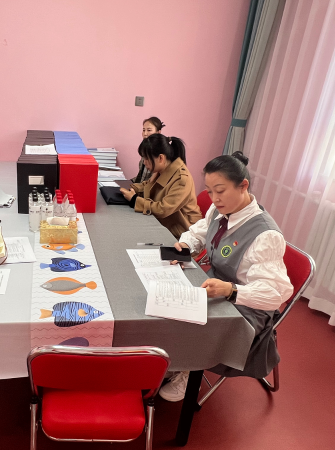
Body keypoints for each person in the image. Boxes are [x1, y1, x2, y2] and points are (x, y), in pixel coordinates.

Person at [158, 151, 294, 402]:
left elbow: (274, 295)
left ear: (243, 186)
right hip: (217, 285)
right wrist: (186, 245)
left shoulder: (266, 236)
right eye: (210, 191)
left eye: (220, 191)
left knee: (191, 319)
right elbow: (199, 232)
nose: (214, 198)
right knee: (170, 304)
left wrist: (231, 290)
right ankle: (178, 359)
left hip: (248, 305)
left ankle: (189, 369)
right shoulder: (219, 210)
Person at [120, 133, 202, 239]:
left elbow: (163, 209)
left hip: (182, 234)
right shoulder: (162, 169)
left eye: (146, 158)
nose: (144, 162)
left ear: (160, 158)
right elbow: (147, 186)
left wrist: (135, 200)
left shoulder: (182, 179)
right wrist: (132, 189)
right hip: (164, 224)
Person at [133, 116, 165, 183]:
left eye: (149, 130)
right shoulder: (145, 149)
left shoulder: (159, 153)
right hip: (141, 186)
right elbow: (141, 178)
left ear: (158, 132)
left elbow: (151, 182)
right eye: (143, 130)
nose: (145, 134)